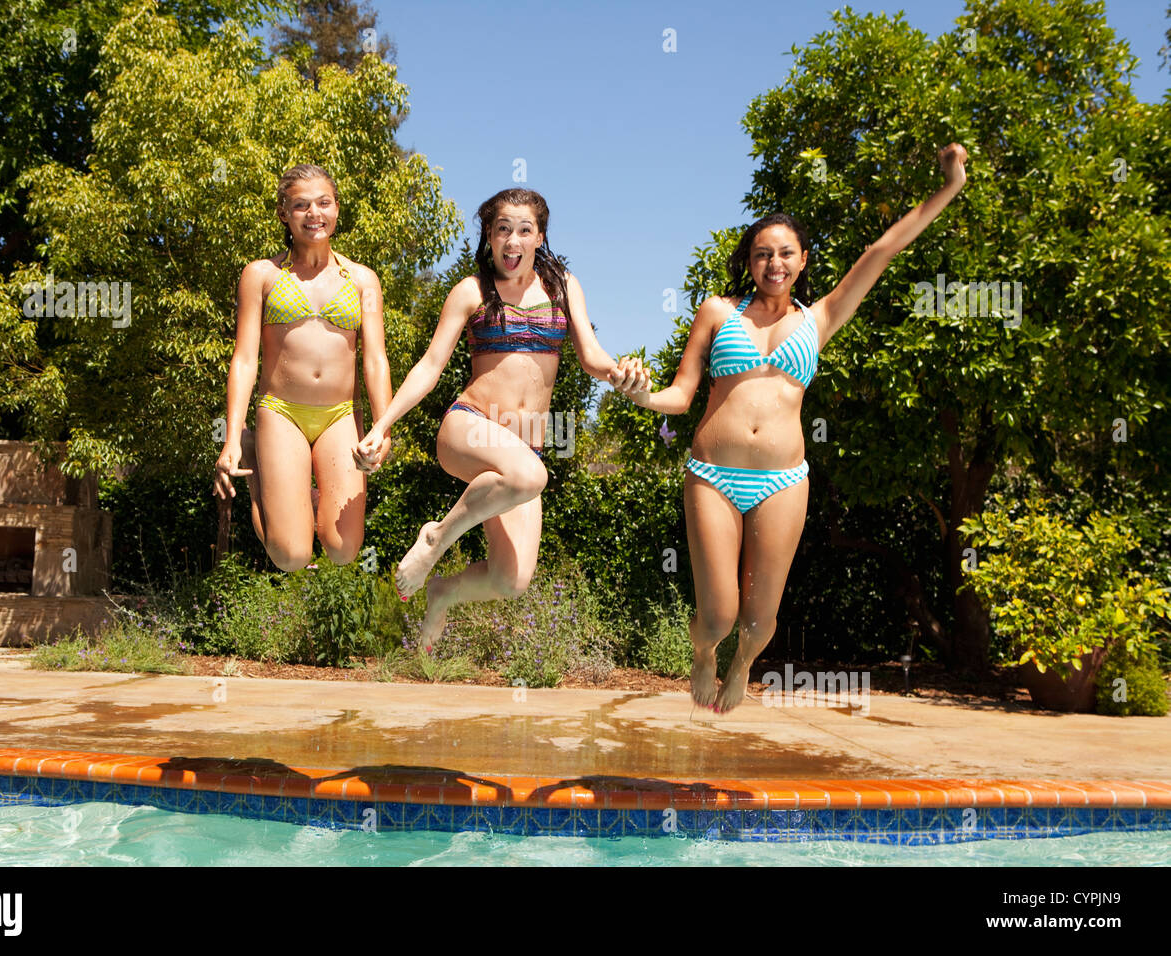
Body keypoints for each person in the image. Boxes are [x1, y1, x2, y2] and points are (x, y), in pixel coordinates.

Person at [624, 144, 968, 713]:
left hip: (783, 480)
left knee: (758, 622)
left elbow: (885, 249)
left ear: (803, 260)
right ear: (750, 260)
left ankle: (742, 662)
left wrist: (948, 187)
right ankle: (707, 652)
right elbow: (682, 396)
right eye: (762, 254)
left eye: (785, 253)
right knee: (717, 614)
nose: (774, 263)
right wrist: (644, 396)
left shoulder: (821, 317)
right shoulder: (718, 311)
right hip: (711, 473)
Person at [353, 188, 647, 649]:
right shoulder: (471, 291)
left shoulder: (564, 287)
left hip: (524, 448)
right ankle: (434, 540)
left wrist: (620, 373)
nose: (513, 240)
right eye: (502, 230)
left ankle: (443, 591)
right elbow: (430, 366)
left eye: (524, 230)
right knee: (532, 475)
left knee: (512, 580)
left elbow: (592, 357)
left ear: (540, 237)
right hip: (468, 426)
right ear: (489, 237)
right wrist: (381, 424)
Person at [214, 164, 392, 569]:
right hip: (281, 413)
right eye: (301, 205)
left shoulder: (363, 280)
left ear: (336, 209)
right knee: (290, 556)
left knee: (343, 550)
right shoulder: (261, 275)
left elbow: (375, 359)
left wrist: (382, 428)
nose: (314, 213)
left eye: (323, 203)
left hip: (340, 416)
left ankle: (300, 500)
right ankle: (259, 464)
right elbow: (244, 358)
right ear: (284, 214)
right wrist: (231, 438)